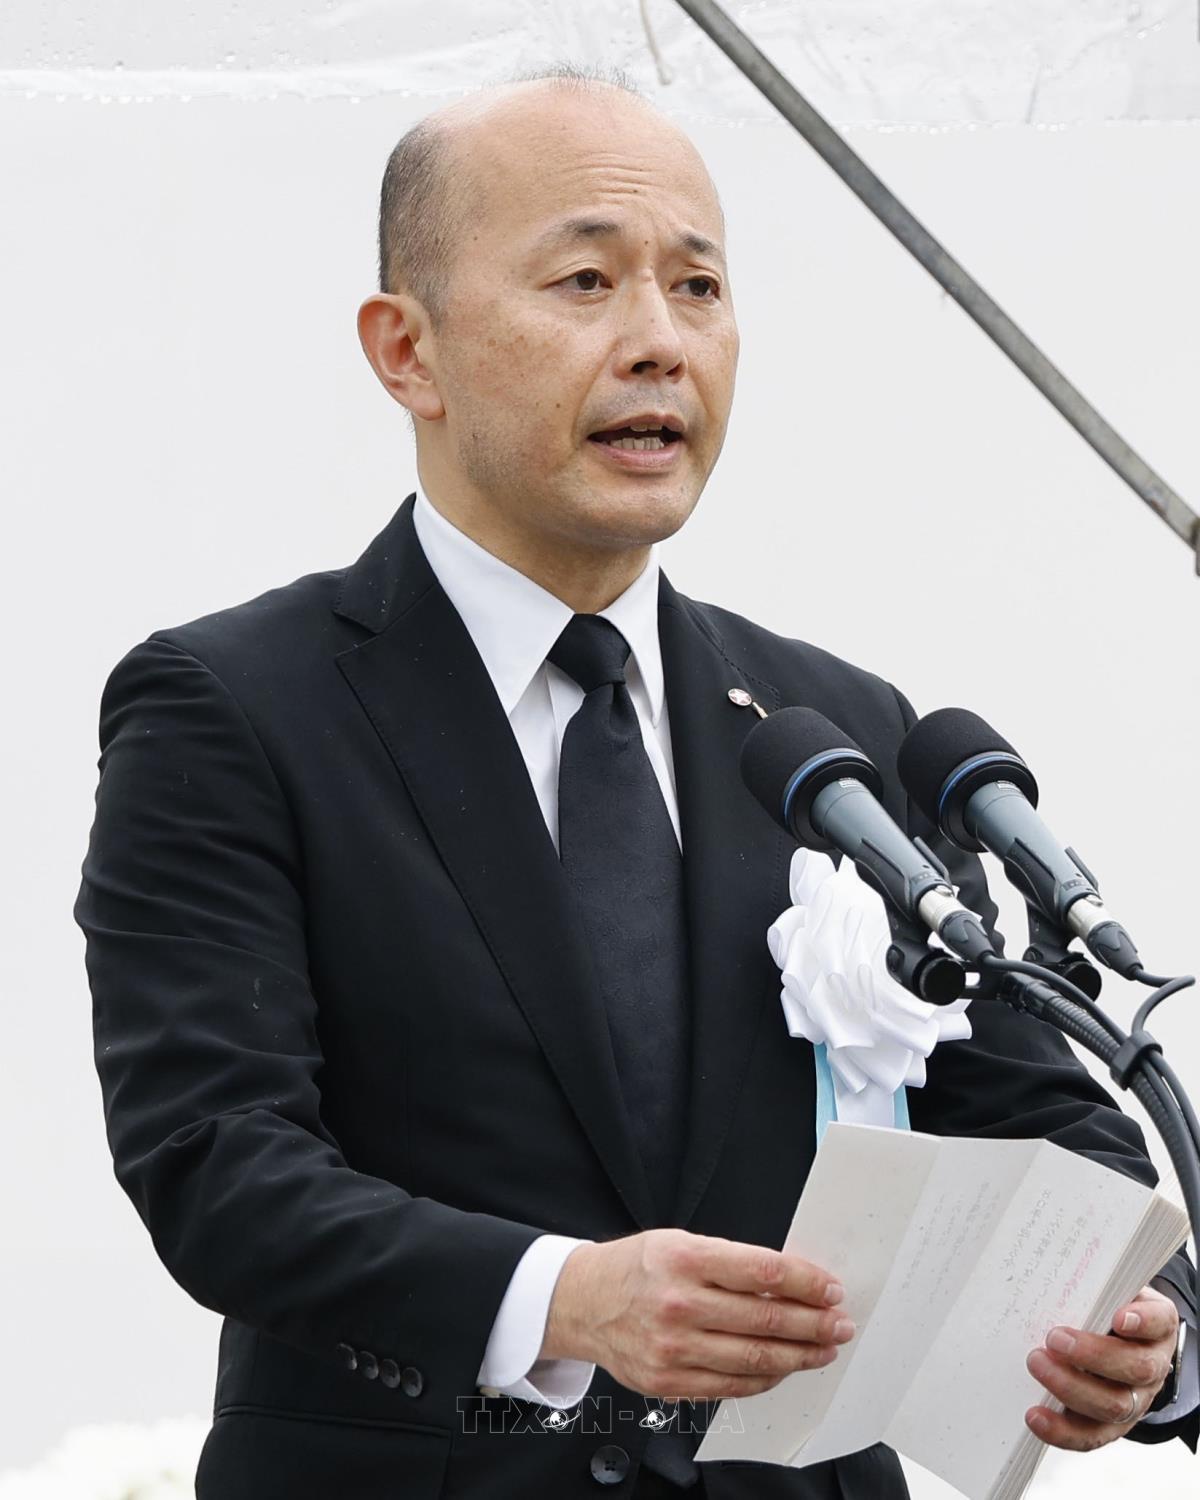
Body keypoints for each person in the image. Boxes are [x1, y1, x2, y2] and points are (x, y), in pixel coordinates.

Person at [74, 62, 1196, 1500]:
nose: (661, 343)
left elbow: (1031, 1106)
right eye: (587, 282)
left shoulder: (833, 733)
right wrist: (564, 1300)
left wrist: (1145, 1328)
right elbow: (216, 1159)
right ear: (407, 351)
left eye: (700, 288)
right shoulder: (233, 706)